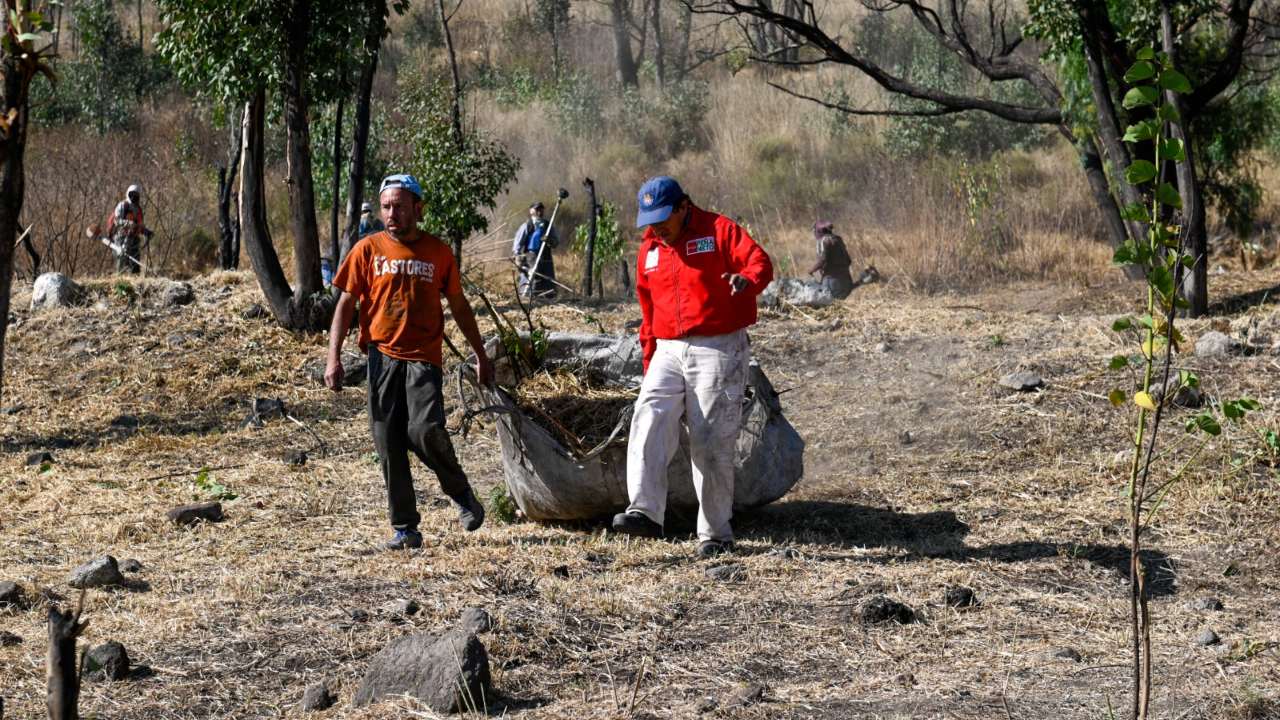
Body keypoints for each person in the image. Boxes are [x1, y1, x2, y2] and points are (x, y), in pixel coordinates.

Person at [325, 173, 495, 550]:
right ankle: (405, 529)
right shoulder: (366, 250)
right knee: (388, 441)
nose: (392, 214)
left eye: (400, 207)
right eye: (386, 207)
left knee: (424, 429)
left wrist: (480, 354)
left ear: (417, 209)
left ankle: (462, 493)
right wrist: (332, 358)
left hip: (423, 358)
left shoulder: (438, 252)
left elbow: (460, 307)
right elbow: (345, 305)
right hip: (381, 357)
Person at [611, 176, 774, 558]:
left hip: (716, 345)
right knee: (648, 415)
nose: (657, 227)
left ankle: (716, 534)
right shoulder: (650, 248)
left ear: (684, 206)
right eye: (650, 221)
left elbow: (759, 262)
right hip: (667, 347)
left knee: (710, 438)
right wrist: (650, 358)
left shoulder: (719, 230)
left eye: (663, 218)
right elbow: (647, 310)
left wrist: (746, 281)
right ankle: (646, 511)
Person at [512, 201, 559, 298]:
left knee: (548, 283)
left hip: (546, 257)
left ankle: (548, 301)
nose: (539, 211)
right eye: (537, 209)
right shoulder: (526, 226)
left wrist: (549, 240)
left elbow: (555, 243)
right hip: (530, 257)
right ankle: (527, 299)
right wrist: (517, 256)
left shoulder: (548, 225)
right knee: (531, 280)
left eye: (541, 209)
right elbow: (518, 243)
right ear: (531, 211)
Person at [106, 184, 153, 274]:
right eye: (132, 194)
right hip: (121, 238)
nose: (134, 197)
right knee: (122, 263)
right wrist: (127, 223)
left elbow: (139, 226)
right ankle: (119, 280)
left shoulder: (138, 209)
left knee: (135, 267)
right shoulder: (123, 205)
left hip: (134, 240)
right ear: (128, 194)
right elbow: (116, 221)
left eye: (136, 195)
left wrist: (147, 232)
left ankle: (135, 282)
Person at [807, 220, 855, 299]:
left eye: (815, 231)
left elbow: (823, 260)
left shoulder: (823, 241)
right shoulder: (838, 239)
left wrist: (812, 270)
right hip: (847, 281)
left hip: (832, 282)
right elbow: (849, 260)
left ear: (818, 231)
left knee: (824, 304)